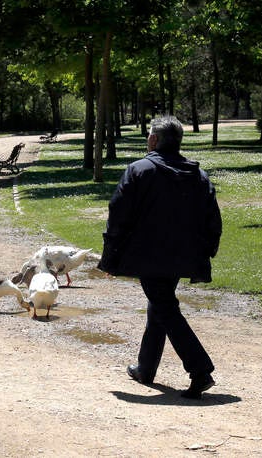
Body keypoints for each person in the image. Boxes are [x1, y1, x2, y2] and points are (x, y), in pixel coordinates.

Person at [98, 115, 222, 399]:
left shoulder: (139, 170)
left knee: (165, 307)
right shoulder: (198, 175)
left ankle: (200, 370)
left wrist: (110, 256)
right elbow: (212, 218)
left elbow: (118, 215)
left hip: (149, 255)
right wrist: (207, 250)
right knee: (161, 305)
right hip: (183, 256)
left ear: (154, 140)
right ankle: (145, 369)